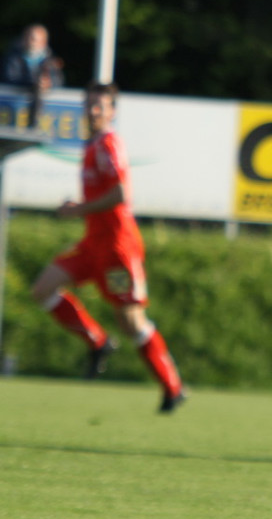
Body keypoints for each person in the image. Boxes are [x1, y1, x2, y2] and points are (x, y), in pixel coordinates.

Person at [31, 81, 186, 413]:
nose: (92, 111)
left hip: (117, 250)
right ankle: (98, 342)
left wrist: (79, 209)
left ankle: (172, 387)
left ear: (112, 111)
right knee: (43, 288)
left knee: (131, 321)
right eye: (88, 104)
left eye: (99, 106)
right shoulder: (92, 145)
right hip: (92, 245)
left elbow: (120, 194)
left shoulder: (109, 144)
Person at [2, 23, 64, 126]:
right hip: (11, 112)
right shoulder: (13, 58)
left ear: (43, 42)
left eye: (33, 39)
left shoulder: (51, 62)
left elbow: (59, 81)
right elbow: (9, 77)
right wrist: (33, 83)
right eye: (26, 37)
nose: (29, 41)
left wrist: (48, 84)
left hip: (44, 115)